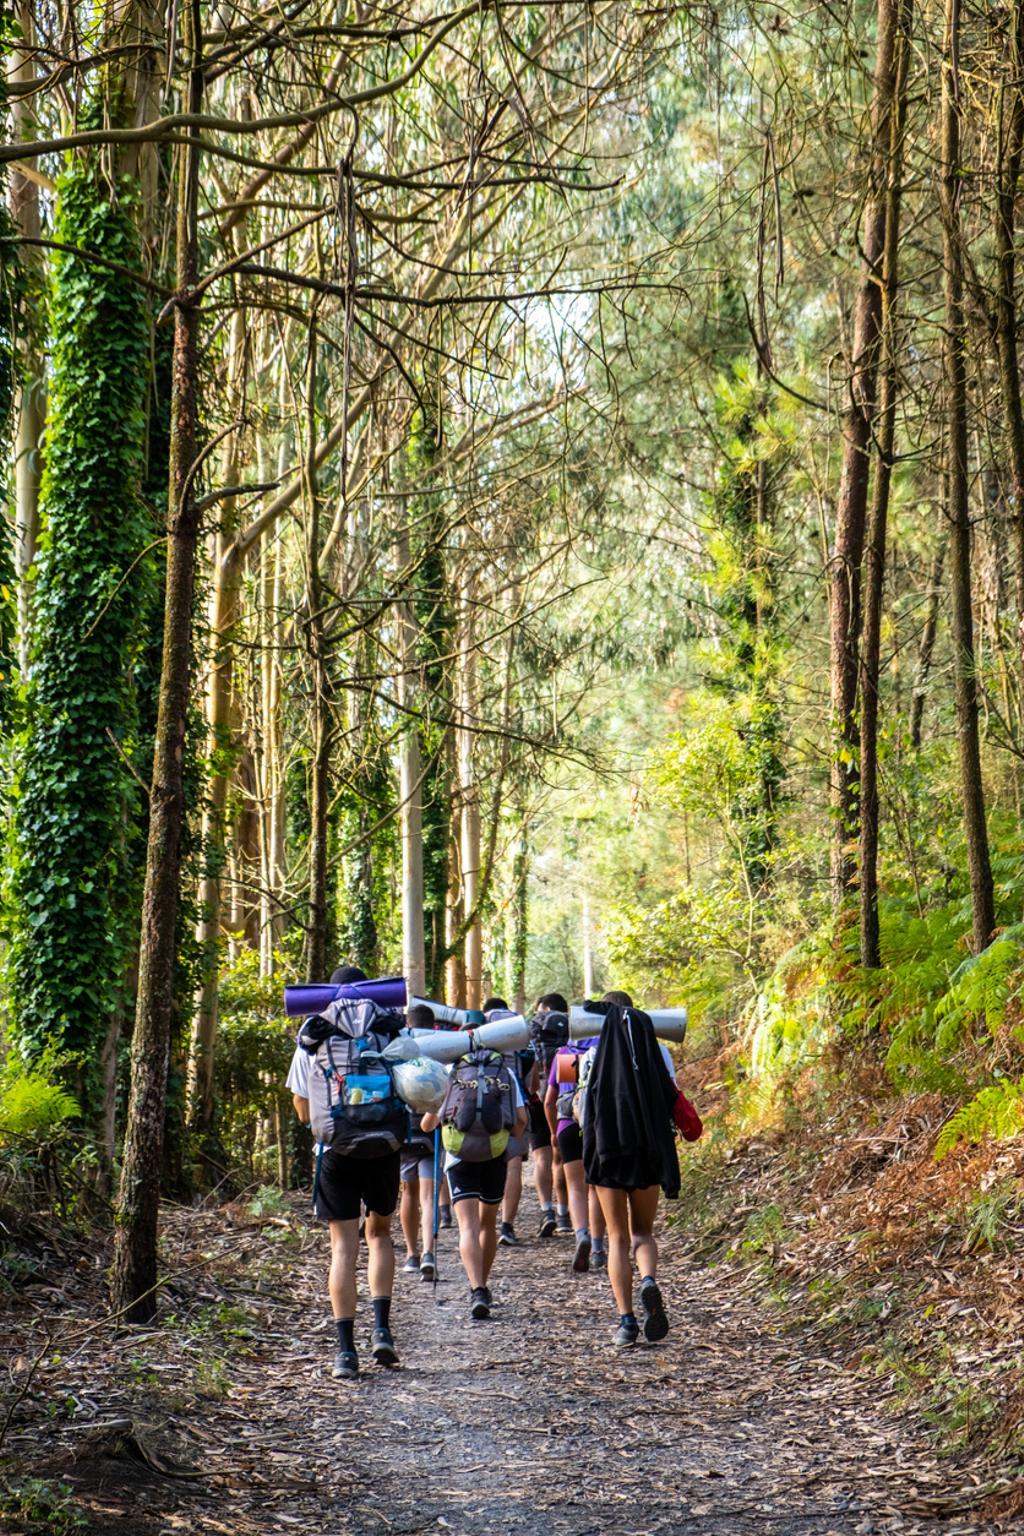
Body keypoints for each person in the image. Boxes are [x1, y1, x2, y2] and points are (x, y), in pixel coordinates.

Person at [286, 964, 404, 1381]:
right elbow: (413, 1087)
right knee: (380, 1235)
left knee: (343, 1248)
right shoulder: (389, 1029)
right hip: (384, 1147)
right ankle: (382, 1331)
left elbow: (303, 1110)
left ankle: (345, 1352)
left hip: (334, 1150)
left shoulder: (314, 1036)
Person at [582, 990, 680, 1348]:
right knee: (642, 1233)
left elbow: (584, 1109)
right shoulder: (660, 1051)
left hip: (608, 1153)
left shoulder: (591, 1054)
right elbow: (671, 1099)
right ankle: (649, 1280)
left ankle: (626, 1322)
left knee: (617, 1239)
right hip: (648, 1151)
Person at [420, 1043, 528, 1319]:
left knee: (467, 1226)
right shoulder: (504, 1072)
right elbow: (520, 1121)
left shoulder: (451, 1071)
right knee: (487, 1223)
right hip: (494, 1154)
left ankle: (476, 1288)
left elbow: (427, 1124)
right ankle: (483, 1285)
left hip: (459, 1158)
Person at [544, 1033, 604, 1272]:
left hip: (568, 1124)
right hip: (597, 1126)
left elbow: (549, 1101)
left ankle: (581, 1234)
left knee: (576, 1187)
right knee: (595, 1187)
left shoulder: (566, 1054)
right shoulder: (605, 1050)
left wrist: (553, 1132)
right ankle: (598, 1248)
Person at [481, 996, 529, 1248]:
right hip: (512, 1104)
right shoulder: (519, 1030)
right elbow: (531, 1080)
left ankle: (477, 1224)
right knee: (513, 1166)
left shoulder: (480, 1026)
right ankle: (507, 1225)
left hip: (477, 1113)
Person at [399, 1002, 442, 1280]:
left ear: (408, 1025)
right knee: (428, 1197)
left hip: (405, 1131)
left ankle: (411, 1254)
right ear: (434, 1026)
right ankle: (428, 1252)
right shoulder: (442, 1049)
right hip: (430, 1131)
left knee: (408, 1192)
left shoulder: (399, 1049)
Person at [528, 992, 566, 1237]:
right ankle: (564, 1213)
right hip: (563, 1097)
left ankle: (546, 1210)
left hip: (536, 1098)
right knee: (561, 1156)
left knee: (541, 1157)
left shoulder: (531, 1029)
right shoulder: (571, 1029)